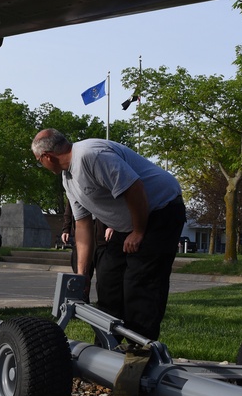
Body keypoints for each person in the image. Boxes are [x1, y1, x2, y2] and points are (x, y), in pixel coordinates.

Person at [32, 128, 186, 341]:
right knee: (108, 281)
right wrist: (82, 274)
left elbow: (135, 188)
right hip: (127, 225)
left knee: (140, 283)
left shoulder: (90, 155)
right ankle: (107, 347)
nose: (42, 165)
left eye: (39, 160)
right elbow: (83, 224)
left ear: (47, 156)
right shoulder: (68, 178)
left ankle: (139, 353)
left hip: (160, 211)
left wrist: (139, 231)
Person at [61, 197, 111, 302]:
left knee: (104, 276)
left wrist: (112, 225)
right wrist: (66, 228)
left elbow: (114, 204)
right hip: (81, 232)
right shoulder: (72, 185)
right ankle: (81, 304)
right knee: (80, 274)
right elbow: (69, 207)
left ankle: (105, 307)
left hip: (101, 235)